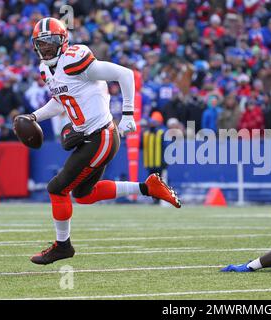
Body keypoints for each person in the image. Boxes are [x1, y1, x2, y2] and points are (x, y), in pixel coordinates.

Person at [14, 17, 181, 265]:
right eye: (42, 43)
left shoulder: (75, 59)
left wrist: (127, 114)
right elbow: (62, 100)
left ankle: (63, 246)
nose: (47, 47)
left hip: (101, 135)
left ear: (63, 41)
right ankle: (149, 187)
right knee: (83, 195)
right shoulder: (45, 69)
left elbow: (125, 74)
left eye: (51, 41)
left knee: (56, 189)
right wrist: (34, 116)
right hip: (89, 138)